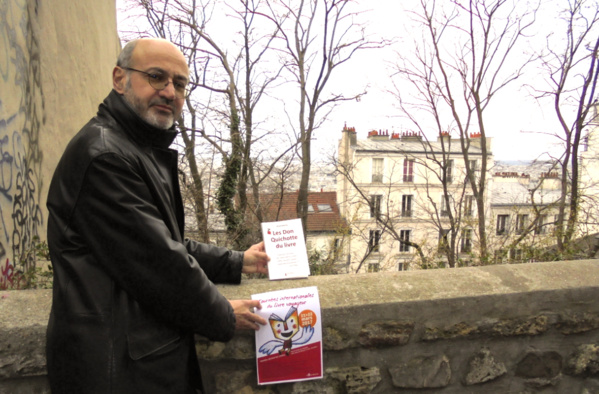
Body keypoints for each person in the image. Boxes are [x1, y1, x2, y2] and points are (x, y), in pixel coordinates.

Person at [46, 38, 269, 393]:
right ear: (120, 79)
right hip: (114, 370)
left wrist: (239, 261)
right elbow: (161, 262)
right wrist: (224, 314)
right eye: (156, 77)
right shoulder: (106, 156)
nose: (169, 92)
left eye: (179, 84)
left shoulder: (133, 147)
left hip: (130, 358)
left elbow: (166, 241)